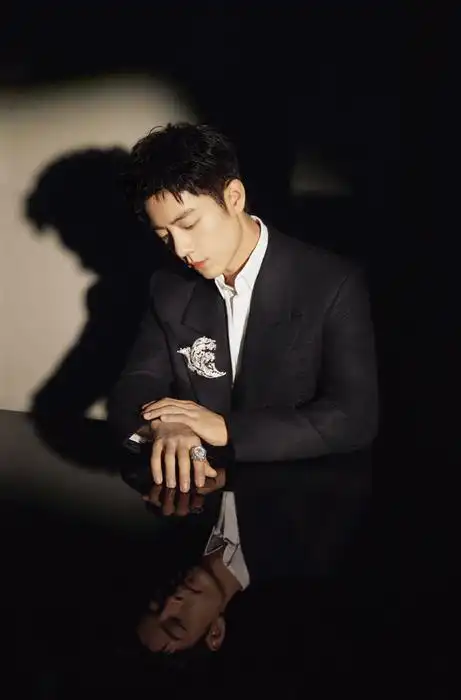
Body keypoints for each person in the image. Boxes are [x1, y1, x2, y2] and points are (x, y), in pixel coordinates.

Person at [108, 123, 378, 490]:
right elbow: (136, 384)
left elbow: (354, 417)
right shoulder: (170, 287)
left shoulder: (333, 283)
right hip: (197, 498)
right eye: (164, 235)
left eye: (189, 224)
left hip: (299, 500)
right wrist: (163, 426)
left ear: (234, 197)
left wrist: (225, 429)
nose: (181, 249)